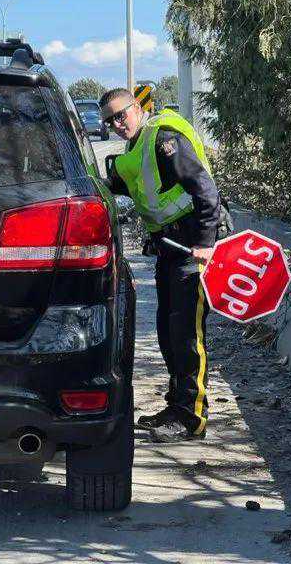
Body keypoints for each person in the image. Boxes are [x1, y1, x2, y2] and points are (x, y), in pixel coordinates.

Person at [99, 87, 223, 442]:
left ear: (137, 108)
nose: (117, 124)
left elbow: (205, 190)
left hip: (193, 250)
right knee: (169, 334)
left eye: (121, 114)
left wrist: (205, 243)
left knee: (187, 336)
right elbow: (118, 186)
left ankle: (192, 417)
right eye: (109, 121)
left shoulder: (164, 139)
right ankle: (176, 405)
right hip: (170, 250)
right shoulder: (134, 150)